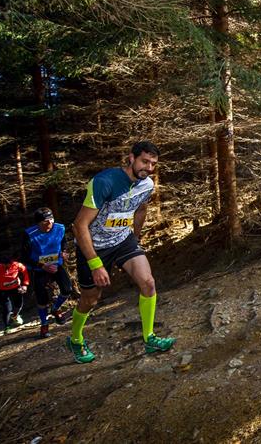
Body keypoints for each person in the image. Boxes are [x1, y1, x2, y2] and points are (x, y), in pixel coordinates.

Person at [69, 141, 175, 363]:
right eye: (144, 161)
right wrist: (95, 264)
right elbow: (79, 226)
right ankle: (75, 339)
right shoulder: (104, 182)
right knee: (90, 299)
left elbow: (141, 208)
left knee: (148, 283)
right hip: (95, 246)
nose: (149, 168)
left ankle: (149, 338)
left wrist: (135, 236)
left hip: (123, 239)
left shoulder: (147, 185)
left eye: (153, 163)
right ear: (131, 158)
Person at [21, 207, 73, 338]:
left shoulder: (59, 228)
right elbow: (24, 257)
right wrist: (42, 266)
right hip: (39, 268)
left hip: (56, 265)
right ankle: (44, 325)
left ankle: (55, 309)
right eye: (45, 221)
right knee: (42, 299)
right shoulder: (29, 234)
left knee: (67, 289)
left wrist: (64, 252)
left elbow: (63, 242)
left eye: (51, 219)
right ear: (38, 223)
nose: (50, 222)